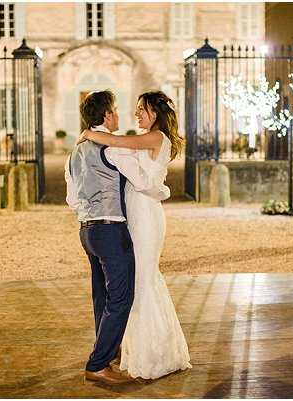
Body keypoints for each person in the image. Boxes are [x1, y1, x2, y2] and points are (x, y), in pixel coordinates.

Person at [77, 90, 192, 380]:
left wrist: (90, 134)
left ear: (156, 113)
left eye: (142, 109)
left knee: (142, 280)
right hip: (135, 213)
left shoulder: (156, 137)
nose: (136, 113)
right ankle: (127, 348)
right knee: (137, 281)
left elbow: (117, 142)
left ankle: (150, 353)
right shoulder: (146, 139)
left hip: (144, 216)